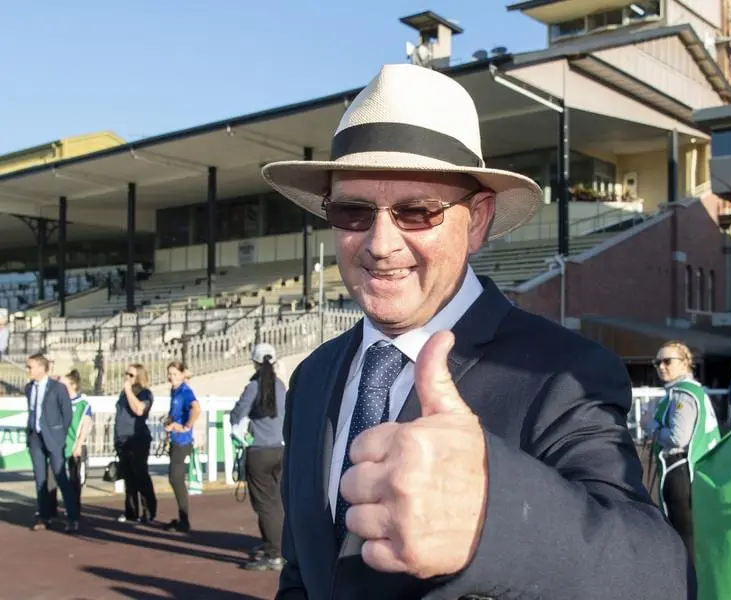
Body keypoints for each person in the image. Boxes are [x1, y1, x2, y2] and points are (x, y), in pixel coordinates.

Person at [261, 63, 694, 599]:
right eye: (353, 211)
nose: (380, 243)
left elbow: (660, 578)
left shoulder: (560, 373)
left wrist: (493, 517)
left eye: (417, 211)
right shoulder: (312, 376)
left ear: (480, 220)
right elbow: (303, 574)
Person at [647, 341, 721, 563]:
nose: (661, 366)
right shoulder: (693, 391)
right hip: (693, 469)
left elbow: (678, 437)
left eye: (667, 361)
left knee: (683, 539)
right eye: (657, 362)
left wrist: (653, 428)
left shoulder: (683, 394)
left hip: (680, 470)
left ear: (685, 363)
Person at [230, 343, 287, 572]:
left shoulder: (254, 387)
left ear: (254, 362)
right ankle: (275, 544)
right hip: (280, 449)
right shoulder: (281, 386)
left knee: (264, 504)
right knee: (277, 501)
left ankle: (274, 553)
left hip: (260, 451)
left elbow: (237, 414)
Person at [24, 353, 79, 533]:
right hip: (35, 438)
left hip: (53, 438)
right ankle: (44, 516)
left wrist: (59, 435)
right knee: (40, 478)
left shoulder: (57, 388)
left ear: (41, 368)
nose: (27, 370)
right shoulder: (29, 388)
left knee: (60, 476)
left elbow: (67, 414)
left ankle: (72, 517)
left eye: (30, 367)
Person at [114, 363, 157, 524]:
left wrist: (128, 391)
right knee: (128, 478)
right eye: (126, 374)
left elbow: (139, 410)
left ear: (139, 377)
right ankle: (131, 512)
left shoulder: (145, 393)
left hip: (137, 439)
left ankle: (149, 511)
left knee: (140, 475)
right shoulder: (123, 395)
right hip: (122, 440)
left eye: (131, 375)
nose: (127, 377)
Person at [164, 360, 200, 533]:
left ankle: (184, 520)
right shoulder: (175, 391)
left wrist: (186, 426)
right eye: (170, 374)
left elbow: (196, 409)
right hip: (175, 439)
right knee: (175, 478)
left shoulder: (185, 391)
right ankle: (182, 518)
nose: (171, 377)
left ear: (182, 374)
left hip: (183, 440)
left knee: (176, 478)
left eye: (175, 374)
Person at [63, 369, 93, 519]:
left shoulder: (83, 404)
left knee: (74, 480)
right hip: (61, 446)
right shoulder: (61, 402)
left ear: (73, 385)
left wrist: (79, 445)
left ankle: (74, 510)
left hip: (75, 446)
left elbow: (86, 425)